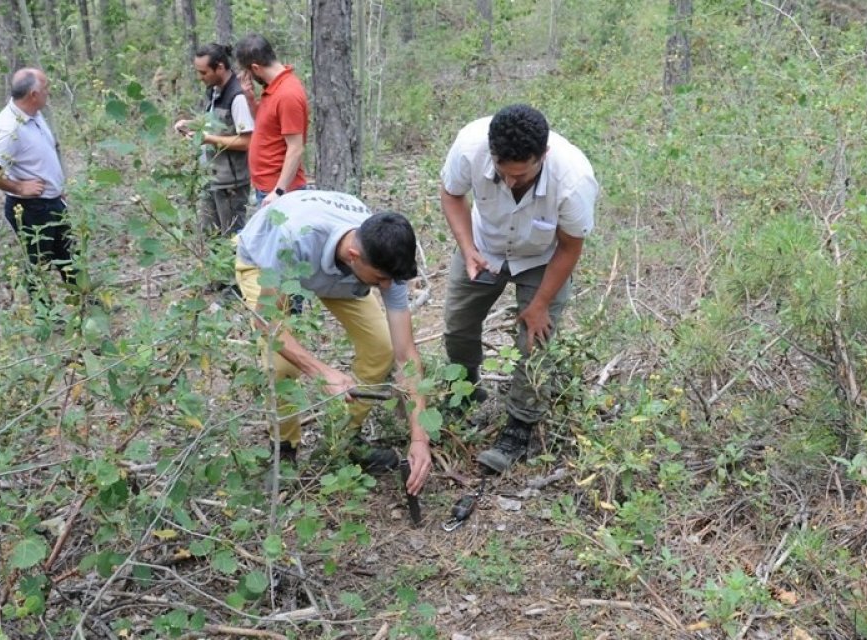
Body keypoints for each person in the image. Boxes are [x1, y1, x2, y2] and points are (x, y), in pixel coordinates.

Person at [234, 189, 433, 494]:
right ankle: (284, 449)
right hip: (268, 262)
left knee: (383, 348)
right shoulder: (292, 236)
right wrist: (321, 371)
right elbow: (266, 322)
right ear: (355, 256)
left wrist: (420, 438)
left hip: (338, 275)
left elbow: (406, 354)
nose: (387, 287)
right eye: (381, 280)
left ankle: (342, 437)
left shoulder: (385, 259)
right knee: (281, 365)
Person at [439, 104, 599, 474]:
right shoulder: (469, 146)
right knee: (458, 323)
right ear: (492, 154)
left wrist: (540, 302)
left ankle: (519, 424)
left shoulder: (573, 179)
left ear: (542, 156)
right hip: (484, 245)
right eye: (502, 173)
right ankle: (465, 386)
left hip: (542, 257)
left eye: (522, 176)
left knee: (534, 339)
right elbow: (451, 194)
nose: (511, 183)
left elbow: (570, 247)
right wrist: (467, 248)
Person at [0, 67, 78, 298]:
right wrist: (19, 187)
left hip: (53, 202)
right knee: (38, 265)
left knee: (68, 257)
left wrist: (56, 186)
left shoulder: (33, 113)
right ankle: (44, 320)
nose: (49, 93)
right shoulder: (9, 126)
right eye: (46, 88)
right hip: (31, 209)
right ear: (33, 94)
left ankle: (83, 305)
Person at [173, 43, 255, 236]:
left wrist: (208, 139)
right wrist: (191, 125)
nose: (200, 78)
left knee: (232, 238)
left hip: (231, 183)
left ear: (219, 67)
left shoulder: (237, 97)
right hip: (210, 178)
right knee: (210, 236)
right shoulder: (213, 91)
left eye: (204, 72)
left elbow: (247, 142)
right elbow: (216, 124)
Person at [234, 33, 309, 207]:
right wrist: (250, 99)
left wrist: (279, 191)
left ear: (256, 68)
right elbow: (265, 125)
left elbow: (296, 148)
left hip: (283, 193)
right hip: (267, 188)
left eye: (249, 72)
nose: (249, 77)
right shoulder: (273, 87)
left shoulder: (288, 94)